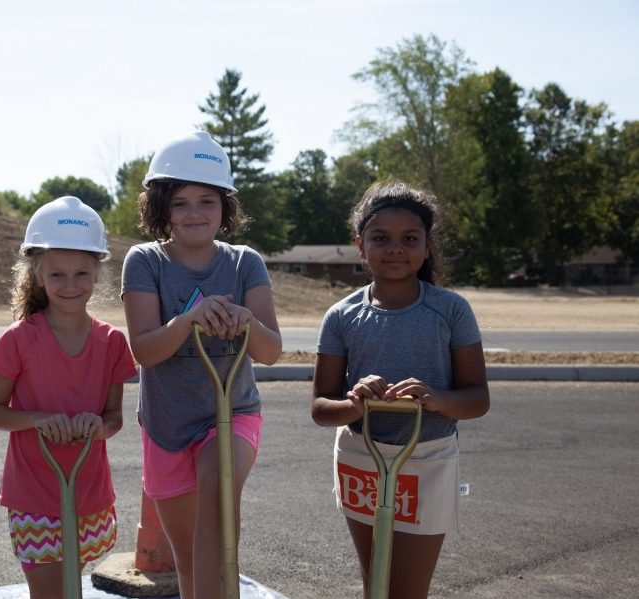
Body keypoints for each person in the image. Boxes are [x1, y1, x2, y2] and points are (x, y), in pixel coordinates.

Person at [121, 131, 282, 599]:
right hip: (167, 423)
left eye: (207, 201)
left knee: (217, 493)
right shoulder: (145, 261)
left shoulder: (244, 263)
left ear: (225, 207)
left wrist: (245, 321)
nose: (194, 213)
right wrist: (189, 319)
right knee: (189, 562)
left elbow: (270, 352)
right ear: (161, 209)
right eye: (180, 203)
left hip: (230, 413)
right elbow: (145, 350)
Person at [311, 181, 490, 599]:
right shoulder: (341, 316)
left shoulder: (450, 309)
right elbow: (321, 408)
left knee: (407, 591)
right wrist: (354, 403)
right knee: (376, 584)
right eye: (380, 238)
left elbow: (477, 398)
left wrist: (436, 398)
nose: (395, 248)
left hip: (427, 461)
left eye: (409, 239)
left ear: (427, 247)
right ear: (360, 246)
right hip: (362, 457)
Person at [0, 196, 136, 599]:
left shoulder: (112, 342)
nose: (71, 285)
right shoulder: (20, 339)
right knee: (49, 594)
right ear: (37, 275)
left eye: (82, 273)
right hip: (33, 492)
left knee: (73, 589)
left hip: (88, 490)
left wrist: (99, 427)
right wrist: (36, 419)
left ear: (98, 274)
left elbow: (115, 416)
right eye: (57, 274)